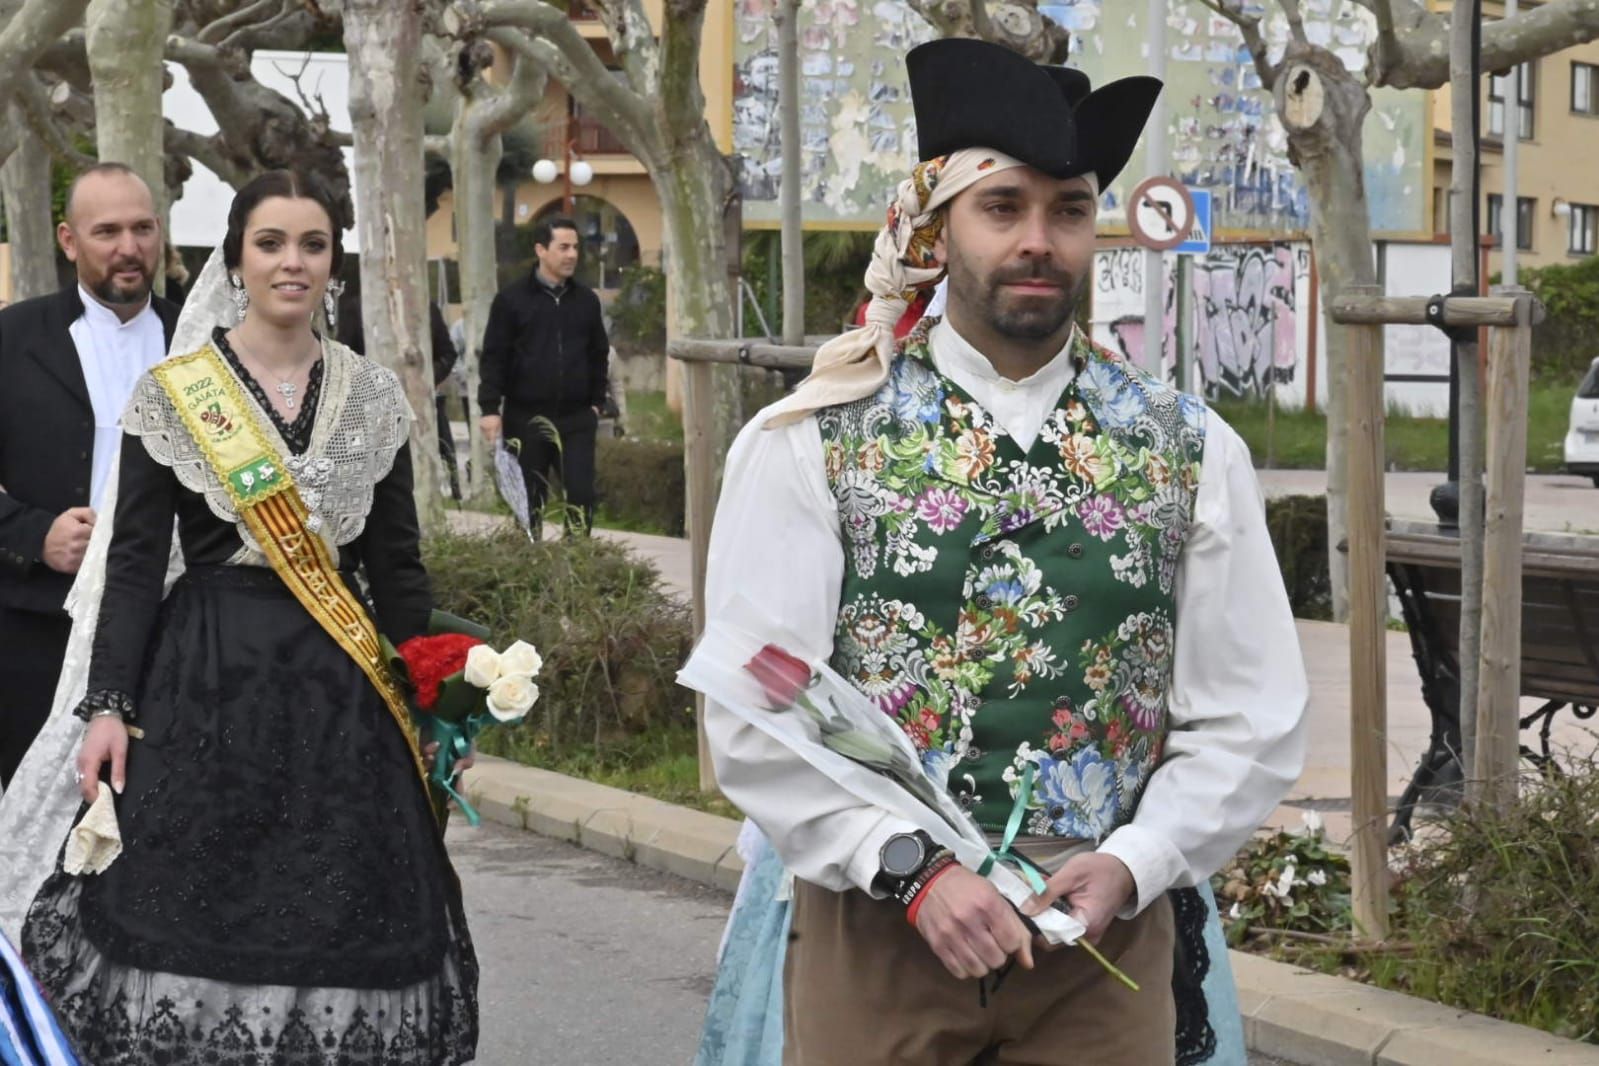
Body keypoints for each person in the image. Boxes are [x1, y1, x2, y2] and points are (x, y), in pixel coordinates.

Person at [690, 39, 1308, 1065]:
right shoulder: (813, 437)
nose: (1039, 239)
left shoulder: (1187, 445)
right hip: (880, 929)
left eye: (1068, 210)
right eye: (1004, 206)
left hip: (1100, 938)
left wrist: (1137, 859)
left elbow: (1249, 708)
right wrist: (907, 869)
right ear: (937, 225)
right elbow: (756, 699)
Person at [0, 169, 478, 1064]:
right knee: (194, 911)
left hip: (342, 704)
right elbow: (136, 571)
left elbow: (397, 570)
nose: (291, 263)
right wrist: (108, 707)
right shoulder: (177, 392)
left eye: (312, 245)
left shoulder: (374, 397)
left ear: (333, 264)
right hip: (204, 690)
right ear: (235, 258)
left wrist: (435, 692)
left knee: (340, 917)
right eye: (270, 244)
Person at [0, 163, 180, 788]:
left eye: (142, 228)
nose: (128, 249)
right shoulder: (10, 339)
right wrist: (33, 535)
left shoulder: (206, 344)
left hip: (175, 632)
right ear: (68, 241)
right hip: (36, 633)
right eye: (107, 232)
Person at [478, 215, 610, 537]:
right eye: (563, 247)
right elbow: (495, 356)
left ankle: (577, 564)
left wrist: (596, 403)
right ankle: (530, 567)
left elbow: (599, 354)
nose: (572, 255)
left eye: (575, 247)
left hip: (577, 419)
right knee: (529, 502)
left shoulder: (587, 302)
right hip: (526, 417)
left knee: (581, 497)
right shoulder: (511, 301)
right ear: (541, 250)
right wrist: (490, 409)